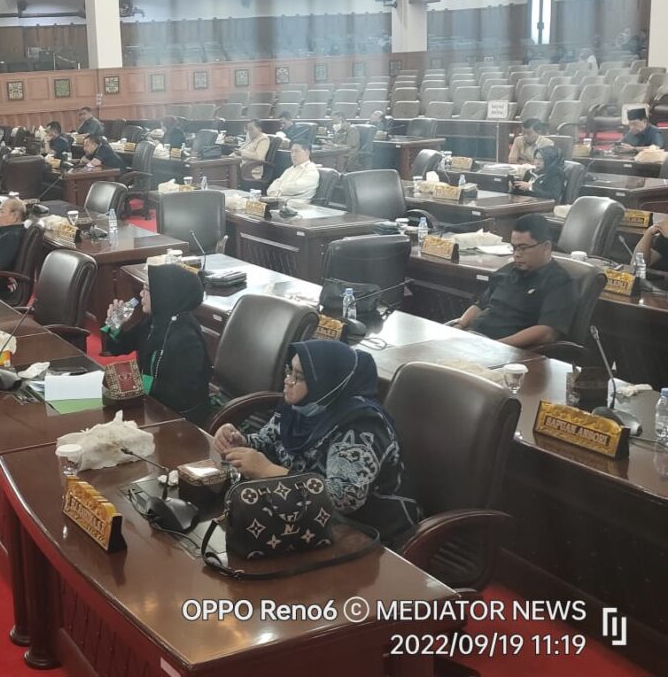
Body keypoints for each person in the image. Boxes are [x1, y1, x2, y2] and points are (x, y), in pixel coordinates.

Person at [213, 340, 421, 545]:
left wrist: (267, 470)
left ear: (325, 382)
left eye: (299, 377)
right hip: (309, 521)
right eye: (289, 371)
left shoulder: (360, 427)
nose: (288, 381)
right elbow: (268, 442)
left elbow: (343, 498)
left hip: (368, 536)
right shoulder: (301, 408)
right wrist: (240, 442)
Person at [102, 264, 211, 426]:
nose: (141, 294)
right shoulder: (155, 321)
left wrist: (139, 382)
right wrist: (114, 324)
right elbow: (119, 347)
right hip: (151, 406)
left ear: (165, 294)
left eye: (146, 289)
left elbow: (183, 396)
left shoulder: (187, 338)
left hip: (180, 421)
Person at [453, 213, 576, 348]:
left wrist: (495, 346)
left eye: (523, 248)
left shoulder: (559, 282)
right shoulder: (507, 271)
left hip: (508, 350)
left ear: (546, 247)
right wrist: (460, 324)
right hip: (475, 341)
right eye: (514, 247)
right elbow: (480, 305)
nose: (516, 254)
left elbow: (547, 332)